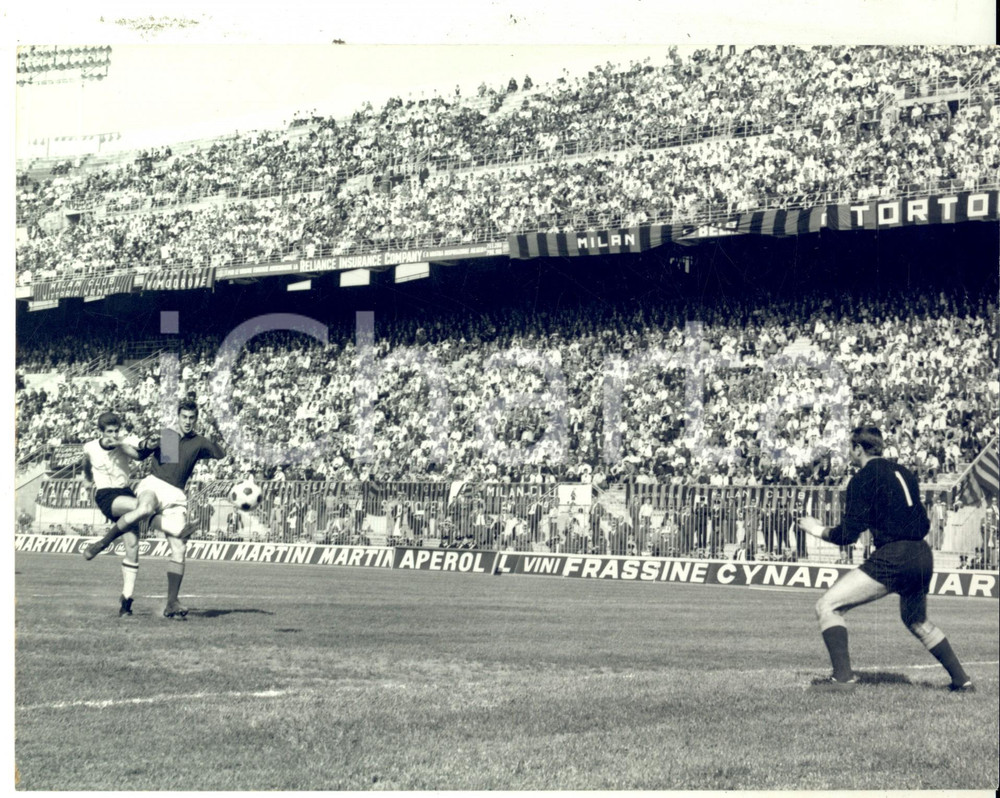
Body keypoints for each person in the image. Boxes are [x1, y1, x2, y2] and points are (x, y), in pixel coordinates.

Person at [798, 426, 974, 693]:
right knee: (916, 621)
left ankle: (843, 679)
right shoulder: (904, 473)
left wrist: (815, 528)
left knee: (828, 606)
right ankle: (962, 681)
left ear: (858, 449)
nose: (849, 453)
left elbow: (847, 535)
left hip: (895, 555)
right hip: (922, 554)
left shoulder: (862, 478)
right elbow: (923, 522)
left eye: (850, 448)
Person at [132, 400, 225, 619]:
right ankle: (173, 526)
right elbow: (141, 451)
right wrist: (148, 443)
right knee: (147, 511)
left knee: (180, 549)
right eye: (184, 417)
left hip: (176, 495)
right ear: (178, 416)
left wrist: (217, 428)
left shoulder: (199, 442)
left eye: (192, 417)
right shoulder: (167, 437)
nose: (188, 421)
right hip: (155, 485)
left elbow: (220, 454)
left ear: (196, 418)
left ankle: (172, 603)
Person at [80, 411, 157, 616]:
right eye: (109, 432)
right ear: (101, 432)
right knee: (141, 506)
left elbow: (140, 454)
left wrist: (124, 444)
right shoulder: (90, 446)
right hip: (107, 496)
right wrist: (87, 479)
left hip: (125, 491)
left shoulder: (124, 442)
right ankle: (103, 543)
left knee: (132, 546)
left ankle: (126, 602)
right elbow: (86, 462)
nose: (113, 435)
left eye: (116, 431)